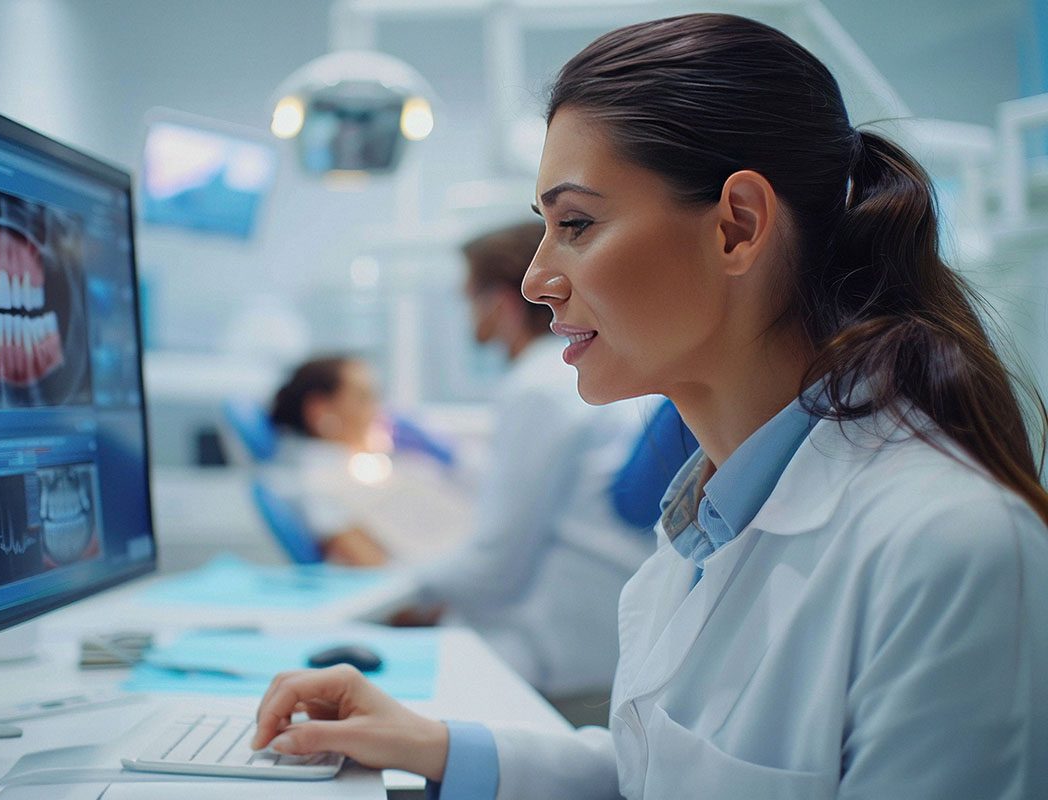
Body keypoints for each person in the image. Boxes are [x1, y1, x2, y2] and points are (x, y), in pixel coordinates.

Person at [251, 13, 1048, 799]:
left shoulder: (952, 549)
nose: (534, 280)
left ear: (737, 226)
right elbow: (652, 780)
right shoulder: (703, 527)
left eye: (576, 224)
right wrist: (432, 746)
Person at [402, 220, 666, 708]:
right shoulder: (568, 376)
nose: (467, 317)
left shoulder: (538, 387)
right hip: (602, 638)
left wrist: (395, 584)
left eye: (468, 300)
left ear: (499, 303)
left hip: (561, 661)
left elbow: (492, 569)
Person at [268, 355, 471, 567]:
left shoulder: (369, 465)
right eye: (363, 398)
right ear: (320, 410)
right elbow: (377, 567)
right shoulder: (320, 482)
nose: (378, 411)